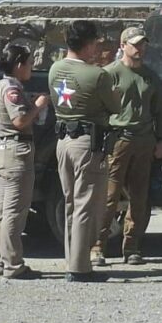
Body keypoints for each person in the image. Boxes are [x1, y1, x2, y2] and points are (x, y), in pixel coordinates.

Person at [49, 20, 120, 282]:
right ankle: (79, 267)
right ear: (89, 44)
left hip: (63, 140)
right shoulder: (98, 75)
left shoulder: (55, 69)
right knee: (85, 206)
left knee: (70, 203)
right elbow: (115, 106)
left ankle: (72, 260)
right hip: (87, 143)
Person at [91, 27, 162, 267]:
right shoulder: (109, 73)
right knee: (109, 196)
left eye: (143, 44)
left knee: (139, 197)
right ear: (123, 46)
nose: (140, 49)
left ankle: (132, 246)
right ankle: (98, 246)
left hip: (144, 139)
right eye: (134, 44)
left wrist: (161, 140)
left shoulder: (150, 76)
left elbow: (159, 111)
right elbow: (98, 109)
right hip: (118, 138)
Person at [0, 44, 49, 280]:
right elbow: (19, 121)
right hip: (16, 150)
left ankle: (0, 261)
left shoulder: (2, 86)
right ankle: (13, 264)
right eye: (28, 63)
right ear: (18, 65)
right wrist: (37, 106)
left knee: (2, 211)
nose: (31, 68)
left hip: (4, 150)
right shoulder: (11, 88)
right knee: (14, 211)